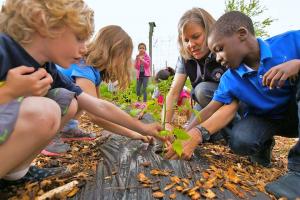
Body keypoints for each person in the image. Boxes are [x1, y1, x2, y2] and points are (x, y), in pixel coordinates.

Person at [0, 0, 161, 184]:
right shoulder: (4, 49)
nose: (85, 47)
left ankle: (14, 173)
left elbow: (98, 105)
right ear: (44, 24)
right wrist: (9, 92)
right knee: (45, 110)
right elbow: (96, 115)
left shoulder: (48, 69)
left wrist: (143, 128)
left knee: (63, 101)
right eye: (79, 38)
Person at [174, 11, 300, 198]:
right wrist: (184, 135)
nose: (217, 58)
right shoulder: (230, 78)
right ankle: (264, 144)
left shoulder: (291, 42)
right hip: (267, 120)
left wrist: (297, 64)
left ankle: (297, 171)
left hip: (294, 113)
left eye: (219, 49)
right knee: (240, 141)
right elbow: (211, 108)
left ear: (242, 34)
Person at [52, 26, 152, 156]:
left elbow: (99, 105)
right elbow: (96, 115)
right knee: (76, 100)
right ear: (113, 51)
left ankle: (68, 128)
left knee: (86, 99)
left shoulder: (96, 70)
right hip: (44, 101)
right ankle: (49, 136)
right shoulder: (84, 66)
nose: (124, 62)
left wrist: (130, 125)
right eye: (124, 56)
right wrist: (133, 132)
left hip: (55, 100)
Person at [163, 8, 237, 139]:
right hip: (206, 105)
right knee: (192, 134)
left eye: (196, 37)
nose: (191, 44)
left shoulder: (223, 51)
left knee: (202, 90)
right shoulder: (185, 57)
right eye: (186, 40)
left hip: (234, 104)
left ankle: (238, 132)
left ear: (209, 31)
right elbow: (174, 92)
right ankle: (219, 133)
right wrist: (166, 124)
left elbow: (238, 94)